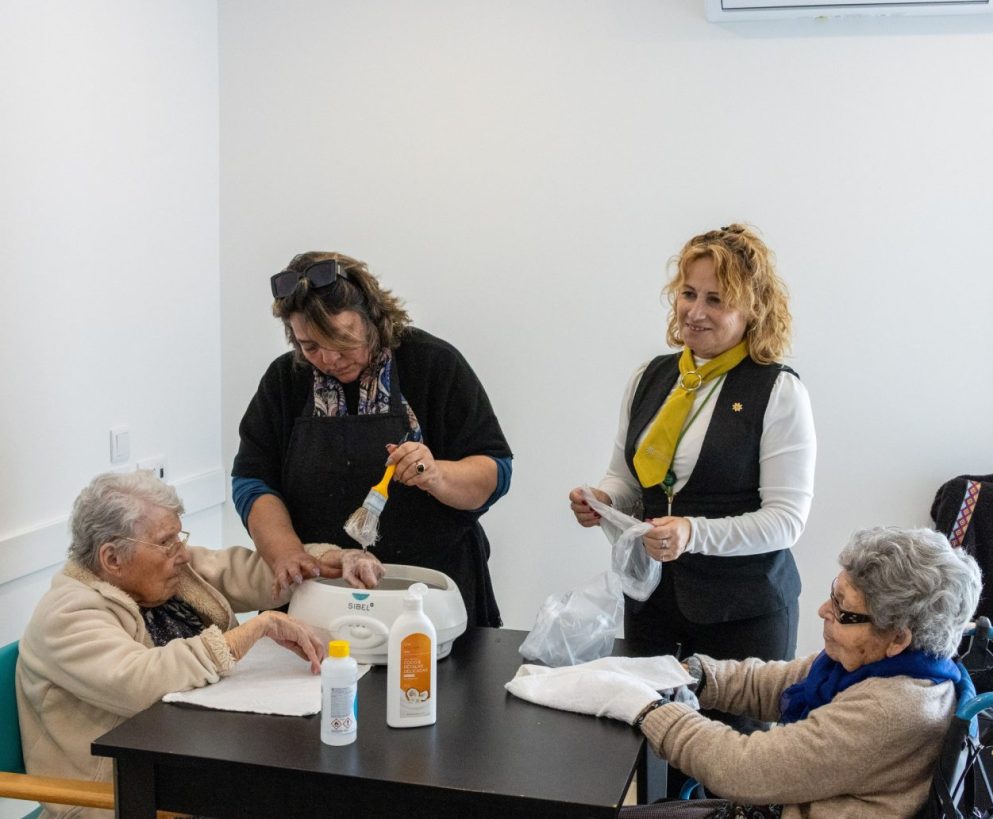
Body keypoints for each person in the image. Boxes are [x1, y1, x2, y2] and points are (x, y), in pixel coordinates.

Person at [525, 527, 983, 818]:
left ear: (898, 636)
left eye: (843, 610)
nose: (823, 610)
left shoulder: (892, 708)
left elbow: (745, 768)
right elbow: (773, 683)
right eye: (834, 593)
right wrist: (692, 674)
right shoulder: (881, 668)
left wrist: (644, 707)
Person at [16, 470, 383, 819]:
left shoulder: (168, 573)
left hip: (199, 759)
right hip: (124, 794)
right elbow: (140, 681)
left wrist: (325, 560)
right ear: (112, 558)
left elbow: (253, 572)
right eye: (166, 542)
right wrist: (252, 631)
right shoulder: (67, 614)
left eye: (179, 537)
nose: (182, 553)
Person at [569, 224, 815, 667]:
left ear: (752, 309)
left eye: (715, 300)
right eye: (688, 294)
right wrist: (604, 499)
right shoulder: (649, 377)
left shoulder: (778, 391)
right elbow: (625, 479)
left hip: (742, 615)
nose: (695, 312)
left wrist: (692, 532)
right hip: (651, 604)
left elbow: (786, 521)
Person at [232, 251, 512, 627]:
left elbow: (496, 471)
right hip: (317, 593)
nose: (328, 358)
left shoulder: (433, 365)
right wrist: (286, 553)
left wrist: (436, 475)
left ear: (372, 318)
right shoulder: (286, 381)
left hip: (429, 595)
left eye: (342, 340)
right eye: (310, 346)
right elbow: (252, 482)